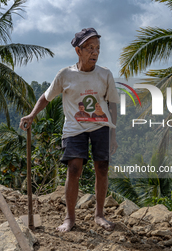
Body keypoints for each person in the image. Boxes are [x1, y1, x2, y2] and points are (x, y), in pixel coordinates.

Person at [19, 28, 119, 232]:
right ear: (78, 50)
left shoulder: (105, 74)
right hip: (74, 127)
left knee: (102, 168)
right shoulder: (65, 75)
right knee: (74, 169)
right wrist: (32, 115)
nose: (95, 52)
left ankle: (99, 215)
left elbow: (113, 105)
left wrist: (112, 133)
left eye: (98, 48)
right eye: (90, 48)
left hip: (100, 126)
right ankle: (69, 218)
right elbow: (46, 97)